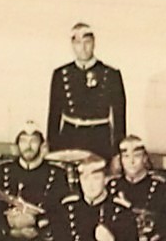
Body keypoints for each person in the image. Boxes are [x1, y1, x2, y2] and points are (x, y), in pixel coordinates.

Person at [47, 22, 127, 160]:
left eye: (87, 42)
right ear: (72, 45)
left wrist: (117, 153)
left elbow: (119, 118)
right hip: (69, 137)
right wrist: (52, 149)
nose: (83, 48)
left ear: (94, 42)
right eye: (78, 43)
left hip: (99, 138)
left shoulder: (110, 74)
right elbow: (54, 115)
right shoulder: (61, 74)